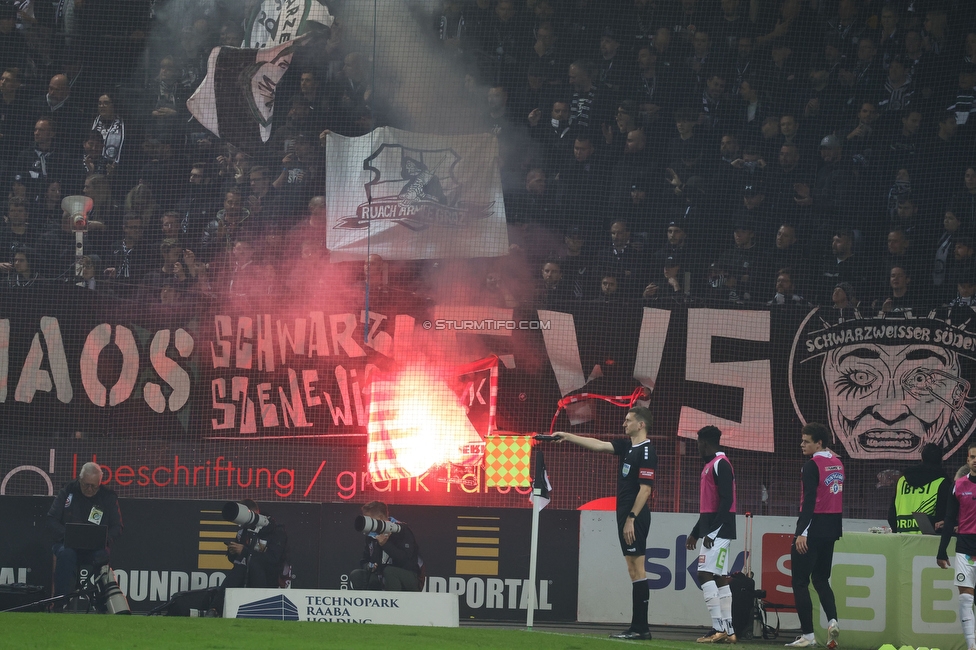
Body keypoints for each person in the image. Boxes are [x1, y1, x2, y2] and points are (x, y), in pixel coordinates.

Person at [554, 407, 658, 640]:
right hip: (625, 515)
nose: (624, 424)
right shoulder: (627, 447)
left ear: (641, 425)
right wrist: (568, 436)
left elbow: (646, 490)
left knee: (638, 569)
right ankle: (638, 627)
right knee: (633, 569)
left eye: (628, 420)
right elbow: (599, 444)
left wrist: (631, 518)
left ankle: (641, 629)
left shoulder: (647, 452)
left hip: (635, 515)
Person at [787, 423, 843, 648]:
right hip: (832, 528)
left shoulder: (811, 466)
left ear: (818, 442)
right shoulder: (837, 463)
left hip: (813, 528)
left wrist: (802, 532)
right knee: (821, 579)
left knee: (800, 582)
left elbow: (810, 500)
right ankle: (832, 621)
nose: (802, 445)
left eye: (806, 441)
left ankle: (808, 636)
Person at [686, 425, 738, 644]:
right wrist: (695, 532)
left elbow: (726, 500)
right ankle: (730, 630)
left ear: (704, 443)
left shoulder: (720, 465)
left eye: (698, 443)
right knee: (719, 577)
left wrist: (713, 531)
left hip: (719, 529)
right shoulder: (712, 465)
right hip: (716, 528)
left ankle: (718, 628)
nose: (697, 447)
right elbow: (710, 506)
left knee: (704, 574)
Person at [46, 462, 123, 598]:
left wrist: (104, 540)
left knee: (102, 556)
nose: (89, 489)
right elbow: (52, 519)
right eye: (85, 484)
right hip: (66, 544)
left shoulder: (108, 497)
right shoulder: (67, 491)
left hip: (96, 548)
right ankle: (59, 601)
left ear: (100, 483)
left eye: (93, 486)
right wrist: (67, 535)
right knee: (66, 554)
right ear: (79, 479)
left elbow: (117, 526)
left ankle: (102, 603)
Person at [937, 440, 976, 650]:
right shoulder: (958, 486)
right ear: (968, 460)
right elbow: (950, 519)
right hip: (964, 547)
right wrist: (941, 550)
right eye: (973, 457)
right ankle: (971, 646)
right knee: (964, 600)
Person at [350, 501, 424, 592]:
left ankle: (394, 604)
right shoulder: (371, 535)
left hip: (410, 577)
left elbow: (406, 562)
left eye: (368, 519)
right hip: (382, 575)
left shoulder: (401, 530)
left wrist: (385, 545)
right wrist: (369, 566)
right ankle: (369, 604)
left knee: (390, 571)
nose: (366, 523)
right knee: (357, 575)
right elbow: (364, 560)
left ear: (380, 518)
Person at [224, 499, 288, 589]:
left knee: (240, 570)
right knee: (238, 570)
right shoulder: (243, 532)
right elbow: (237, 560)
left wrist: (245, 551)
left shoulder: (275, 531)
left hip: (267, 581)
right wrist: (233, 552)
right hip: (243, 578)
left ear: (254, 512)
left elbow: (273, 559)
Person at [888, 442, 950, 534]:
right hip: (928, 541)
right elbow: (943, 515)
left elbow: (892, 514)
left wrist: (897, 531)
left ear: (922, 458)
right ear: (940, 460)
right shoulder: (942, 481)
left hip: (903, 538)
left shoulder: (902, 480)